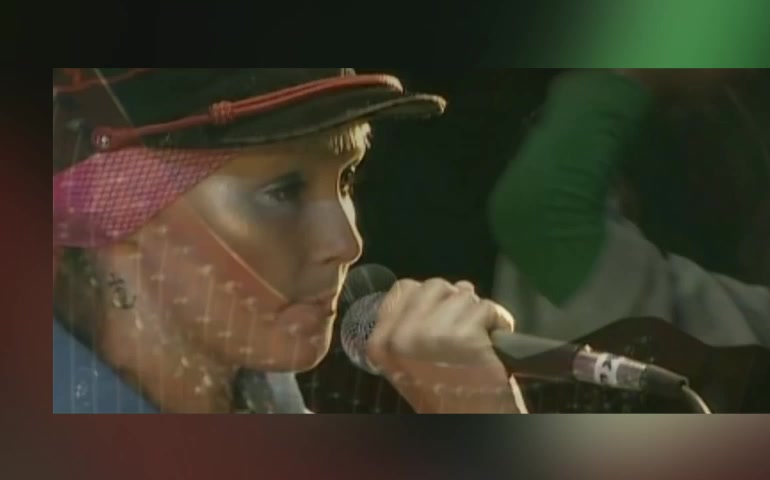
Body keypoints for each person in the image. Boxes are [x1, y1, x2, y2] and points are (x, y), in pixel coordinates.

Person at [53, 68, 526, 414]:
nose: (348, 243)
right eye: (284, 191)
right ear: (110, 207)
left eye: (346, 180)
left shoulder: (265, 386)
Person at [489, 69, 770, 358]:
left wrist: (639, 72)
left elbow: (546, 213)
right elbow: (547, 213)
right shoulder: (748, 325)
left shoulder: (751, 337)